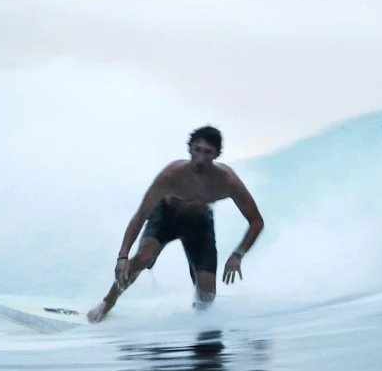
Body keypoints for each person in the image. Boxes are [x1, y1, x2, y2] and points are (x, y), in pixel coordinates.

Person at [87, 125, 264, 324]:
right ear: (189, 148)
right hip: (166, 217)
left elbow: (256, 221)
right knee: (143, 257)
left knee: (207, 295)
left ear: (217, 155)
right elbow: (140, 216)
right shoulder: (171, 175)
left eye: (208, 152)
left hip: (199, 225)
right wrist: (122, 256)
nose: (200, 158)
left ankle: (199, 322)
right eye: (197, 150)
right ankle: (107, 302)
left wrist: (238, 254)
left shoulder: (228, 181)